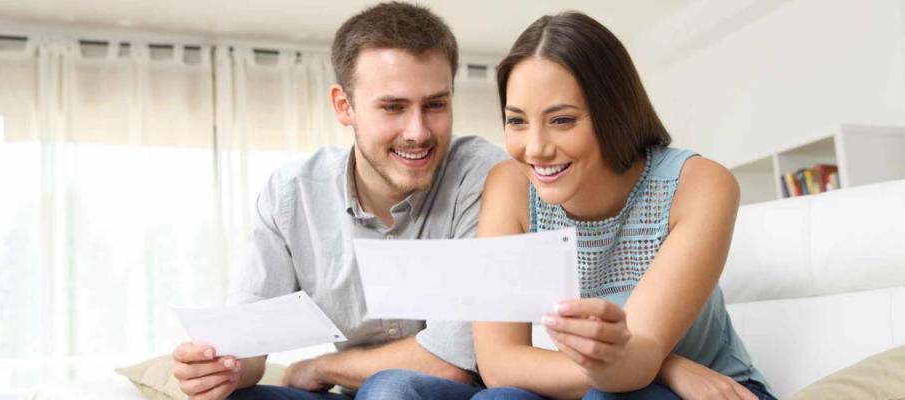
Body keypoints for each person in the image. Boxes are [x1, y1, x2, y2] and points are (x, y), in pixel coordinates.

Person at [169, 3, 507, 399]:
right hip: (360, 393)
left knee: (390, 388)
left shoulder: (485, 177)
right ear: (344, 106)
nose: (417, 131)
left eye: (435, 105)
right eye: (393, 107)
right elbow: (248, 341)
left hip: (458, 392)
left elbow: (451, 363)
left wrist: (319, 367)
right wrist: (219, 367)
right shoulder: (292, 194)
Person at [471, 12, 775, 400]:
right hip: (613, 384)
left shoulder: (698, 184)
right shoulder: (509, 186)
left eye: (562, 120)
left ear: (613, 113)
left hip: (712, 390)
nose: (535, 148)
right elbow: (500, 365)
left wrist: (649, 363)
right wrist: (669, 366)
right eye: (516, 121)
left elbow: (639, 354)